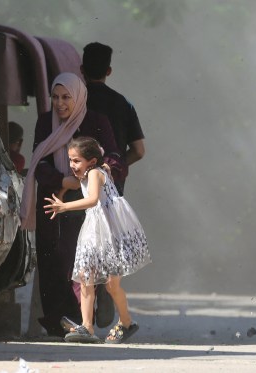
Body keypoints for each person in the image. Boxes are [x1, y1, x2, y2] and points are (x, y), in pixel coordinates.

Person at [20, 72, 127, 337]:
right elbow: (38, 161)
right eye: (55, 97)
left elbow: (114, 158)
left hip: (87, 207)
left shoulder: (96, 122)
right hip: (52, 203)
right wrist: (63, 181)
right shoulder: (46, 122)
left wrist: (95, 175)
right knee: (52, 262)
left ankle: (85, 320)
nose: (60, 103)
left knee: (81, 264)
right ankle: (59, 322)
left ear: (78, 97)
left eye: (66, 97)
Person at [43, 136, 151, 344]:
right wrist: (62, 191)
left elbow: (92, 199)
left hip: (109, 232)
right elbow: (75, 183)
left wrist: (64, 206)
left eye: (76, 161)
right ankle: (87, 326)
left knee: (112, 285)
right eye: (70, 160)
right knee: (85, 278)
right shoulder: (87, 174)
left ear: (91, 162)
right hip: (94, 231)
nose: (72, 165)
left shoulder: (95, 173)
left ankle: (127, 322)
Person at [81, 41, 147, 328]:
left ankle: (83, 315)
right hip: (112, 193)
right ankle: (108, 294)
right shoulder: (123, 104)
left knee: (82, 250)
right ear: (109, 70)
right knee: (107, 246)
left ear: (81, 69)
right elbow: (139, 150)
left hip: (76, 189)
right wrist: (111, 173)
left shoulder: (75, 100)